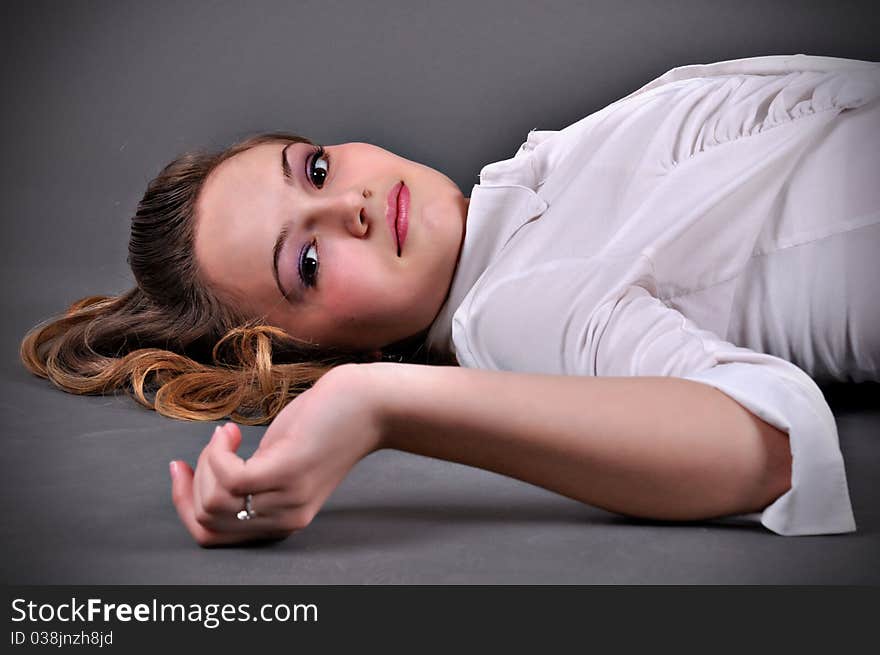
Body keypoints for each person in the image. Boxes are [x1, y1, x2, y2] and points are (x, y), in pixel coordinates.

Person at [20, 54, 880, 546]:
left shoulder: (542, 180)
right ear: (324, 347)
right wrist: (377, 403)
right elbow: (769, 447)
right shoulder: (512, 306)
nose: (347, 205)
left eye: (314, 169)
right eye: (308, 261)